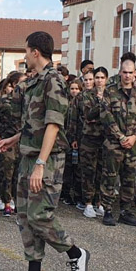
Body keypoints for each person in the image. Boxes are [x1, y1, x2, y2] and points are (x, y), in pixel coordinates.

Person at [0, 31, 89, 271]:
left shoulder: (54, 81)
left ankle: (76, 253)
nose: (24, 56)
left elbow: (53, 125)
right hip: (29, 155)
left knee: (40, 216)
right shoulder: (36, 81)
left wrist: (40, 163)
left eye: (26, 51)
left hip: (46, 161)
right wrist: (14, 139)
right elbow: (34, 124)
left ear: (36, 52)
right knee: (25, 217)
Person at [99, 55, 136, 227]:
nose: (127, 75)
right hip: (114, 143)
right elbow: (106, 116)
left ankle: (126, 211)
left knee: (129, 178)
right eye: (124, 72)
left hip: (132, 145)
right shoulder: (110, 91)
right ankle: (108, 210)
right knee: (110, 177)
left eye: (130, 72)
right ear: (120, 72)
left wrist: (134, 137)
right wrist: (120, 136)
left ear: (135, 74)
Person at [0, 72, 25, 216]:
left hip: (23, 144)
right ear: (15, 84)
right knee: (6, 174)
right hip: (6, 142)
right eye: (22, 82)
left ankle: (16, 200)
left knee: (19, 175)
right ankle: (7, 202)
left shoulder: (28, 102)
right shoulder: (2, 101)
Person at [76, 67, 108, 218]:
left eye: (102, 78)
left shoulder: (110, 95)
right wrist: (100, 103)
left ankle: (99, 202)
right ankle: (88, 203)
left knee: (102, 171)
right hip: (88, 138)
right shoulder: (85, 96)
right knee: (88, 171)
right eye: (97, 77)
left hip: (105, 138)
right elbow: (88, 115)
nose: (98, 80)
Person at [61, 78, 84, 207]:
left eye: (77, 88)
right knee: (67, 168)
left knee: (78, 169)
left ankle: (77, 194)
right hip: (66, 138)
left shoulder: (81, 102)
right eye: (72, 88)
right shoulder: (65, 103)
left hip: (77, 139)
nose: (74, 91)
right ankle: (66, 193)